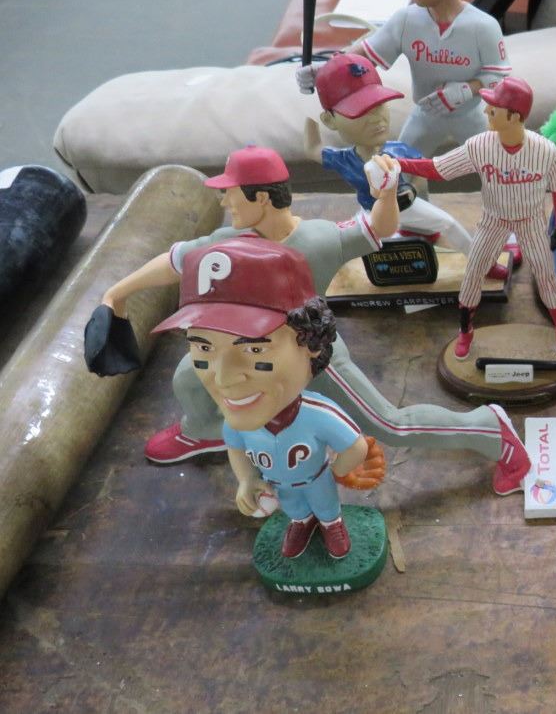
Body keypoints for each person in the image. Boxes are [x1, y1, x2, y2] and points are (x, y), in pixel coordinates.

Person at [100, 145, 531, 495]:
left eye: (230, 192)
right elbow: (175, 260)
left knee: (388, 425)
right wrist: (117, 292)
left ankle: (490, 430)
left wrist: (386, 196)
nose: (224, 201)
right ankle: (208, 428)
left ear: (261, 198)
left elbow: (377, 230)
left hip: (310, 354)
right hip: (246, 349)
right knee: (190, 377)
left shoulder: (319, 239)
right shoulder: (226, 241)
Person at [152, 237, 369, 559]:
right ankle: (301, 523)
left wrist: (340, 470)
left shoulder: (316, 414)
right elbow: (236, 449)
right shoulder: (237, 420)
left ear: (311, 342)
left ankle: (331, 524)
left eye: (254, 348)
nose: (224, 379)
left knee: (326, 506)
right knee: (295, 509)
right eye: (203, 347)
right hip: (279, 486)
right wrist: (246, 480)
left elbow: (356, 447)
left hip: (315, 478)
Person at [394, 77, 556, 359]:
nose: (486, 110)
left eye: (494, 108)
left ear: (514, 116)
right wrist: (398, 164)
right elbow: (439, 169)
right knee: (474, 272)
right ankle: (466, 332)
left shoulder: (545, 150)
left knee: (546, 275)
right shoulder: (480, 145)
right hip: (494, 220)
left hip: (531, 221)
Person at [297, 0, 511, 159]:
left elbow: (500, 79)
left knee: (496, 164)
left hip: (470, 114)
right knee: (398, 166)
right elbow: (365, 56)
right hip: (426, 114)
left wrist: (466, 90)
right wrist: (326, 70)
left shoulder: (482, 26)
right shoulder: (407, 19)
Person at [305, 53, 510, 279]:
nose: (376, 118)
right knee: (344, 241)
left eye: (379, 105)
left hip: (404, 207)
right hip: (371, 213)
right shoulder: (344, 158)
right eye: (360, 111)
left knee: (449, 223)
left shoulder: (398, 150)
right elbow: (313, 149)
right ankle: (331, 277)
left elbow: (422, 172)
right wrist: (308, 105)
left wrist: (412, 190)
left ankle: (484, 264)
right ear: (329, 120)